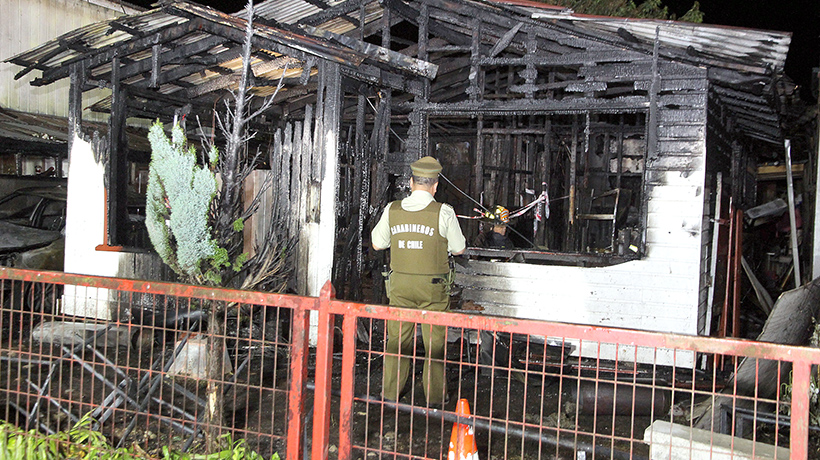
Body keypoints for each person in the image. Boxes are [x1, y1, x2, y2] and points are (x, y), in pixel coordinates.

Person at [371, 156, 466, 406]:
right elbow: (459, 249)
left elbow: (377, 243)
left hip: (400, 288)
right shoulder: (443, 212)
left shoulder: (392, 210)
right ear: (435, 186)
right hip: (433, 289)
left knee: (397, 341)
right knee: (434, 342)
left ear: (411, 182)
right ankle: (435, 398)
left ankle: (389, 394)